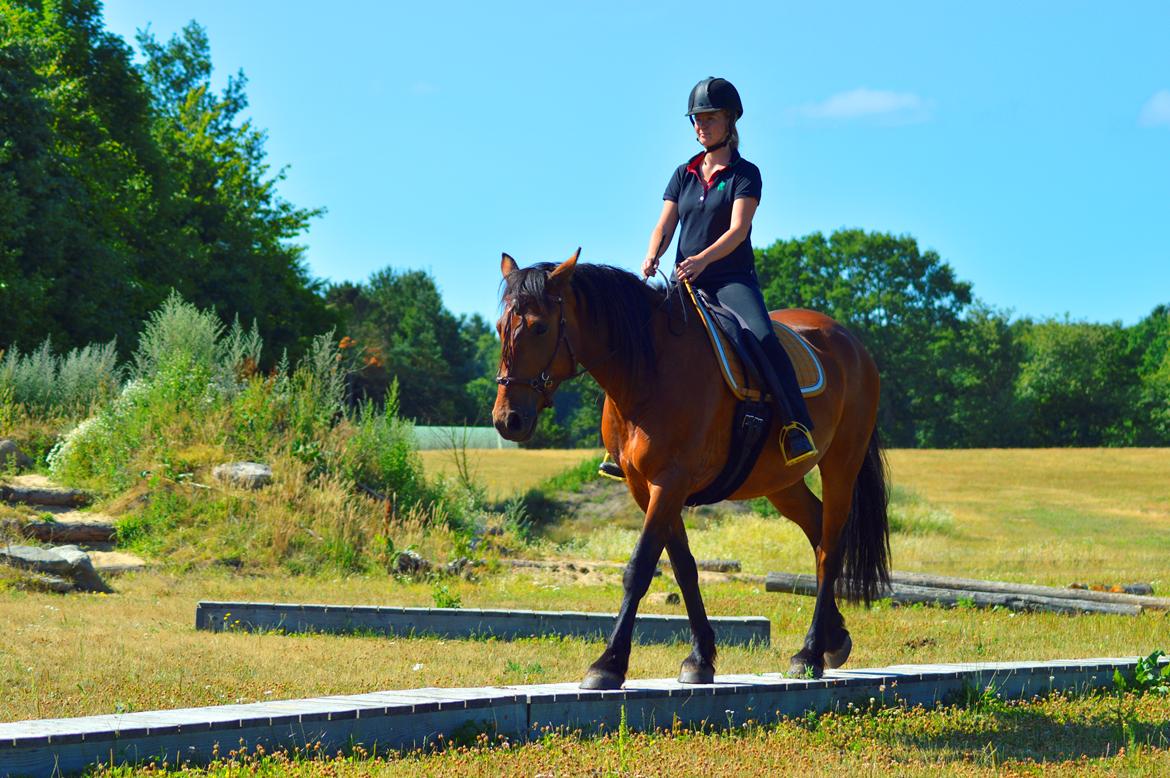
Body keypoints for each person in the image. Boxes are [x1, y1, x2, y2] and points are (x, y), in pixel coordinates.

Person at [599, 77, 816, 481]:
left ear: (730, 120)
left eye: (709, 118)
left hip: (730, 281)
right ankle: (617, 444)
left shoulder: (745, 174)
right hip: (684, 283)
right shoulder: (683, 173)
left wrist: (701, 259)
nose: (700, 126)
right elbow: (664, 224)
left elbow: (737, 232)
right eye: (696, 119)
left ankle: (794, 425)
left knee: (762, 336)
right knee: (630, 337)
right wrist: (652, 254)